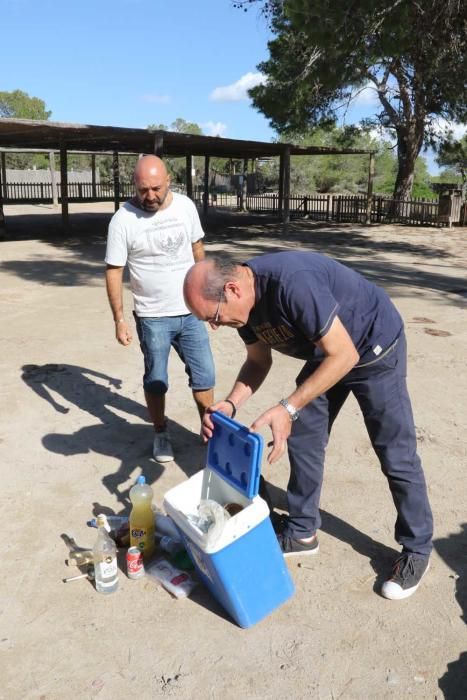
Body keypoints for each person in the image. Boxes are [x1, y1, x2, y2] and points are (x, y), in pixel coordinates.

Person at [183, 252, 433, 601]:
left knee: (395, 453)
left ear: (232, 289)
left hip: (373, 348)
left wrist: (287, 407)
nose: (214, 325)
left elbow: (345, 356)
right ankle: (301, 532)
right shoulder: (243, 312)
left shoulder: (290, 284)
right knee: (303, 437)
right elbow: (258, 362)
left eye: (213, 316)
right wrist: (230, 403)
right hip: (327, 353)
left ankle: (417, 549)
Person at [105, 155, 215, 463]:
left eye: (156, 188)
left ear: (169, 181)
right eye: (143, 190)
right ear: (135, 186)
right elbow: (114, 270)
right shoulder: (123, 220)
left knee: (204, 374)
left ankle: (210, 432)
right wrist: (119, 319)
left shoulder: (185, 207)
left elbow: (197, 250)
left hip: (191, 311)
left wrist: (207, 299)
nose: (150, 196)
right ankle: (161, 432)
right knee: (156, 378)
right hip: (153, 316)